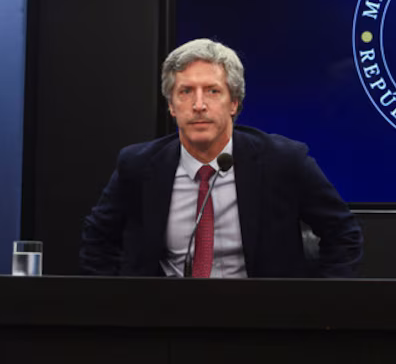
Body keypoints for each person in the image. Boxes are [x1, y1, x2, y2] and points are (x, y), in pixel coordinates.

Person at [80, 38, 363, 278]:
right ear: (171, 106)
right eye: (185, 92)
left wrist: (313, 309)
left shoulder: (283, 161)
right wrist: (121, 306)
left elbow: (343, 233)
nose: (199, 105)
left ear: (234, 103)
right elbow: (97, 240)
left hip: (261, 318)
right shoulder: (138, 165)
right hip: (166, 317)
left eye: (212, 91)